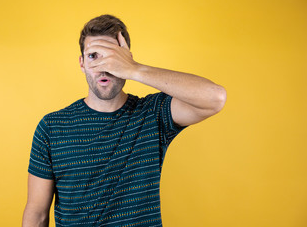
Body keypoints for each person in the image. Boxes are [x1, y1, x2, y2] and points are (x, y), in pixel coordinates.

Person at [22, 14, 227, 227]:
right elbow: (37, 215)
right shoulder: (52, 127)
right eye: (94, 56)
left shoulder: (152, 114)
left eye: (112, 57)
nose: (104, 66)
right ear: (82, 63)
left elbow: (215, 98)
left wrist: (134, 69)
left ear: (125, 59)